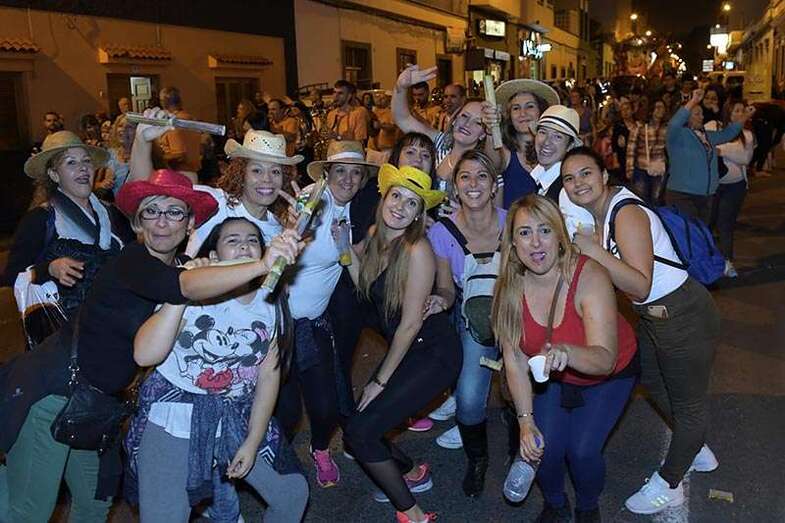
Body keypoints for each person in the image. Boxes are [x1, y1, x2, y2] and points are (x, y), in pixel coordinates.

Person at [0, 169, 302, 523]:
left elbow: (193, 287)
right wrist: (262, 264)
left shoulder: (180, 267)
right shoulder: (134, 260)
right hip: (54, 391)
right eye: (151, 212)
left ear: (190, 224)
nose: (162, 222)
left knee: (95, 503)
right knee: (29, 510)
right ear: (137, 222)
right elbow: (182, 289)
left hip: (99, 404)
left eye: (174, 212)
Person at [560, 147, 722, 516]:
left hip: (683, 315)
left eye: (586, 173)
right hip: (653, 318)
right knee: (651, 380)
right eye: (569, 178)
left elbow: (640, 284)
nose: (578, 183)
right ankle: (695, 447)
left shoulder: (626, 213)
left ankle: (669, 483)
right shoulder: (601, 215)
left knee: (689, 405)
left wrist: (591, 250)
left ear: (604, 175)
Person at [128, 217, 308, 523]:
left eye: (252, 240)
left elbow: (269, 375)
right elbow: (144, 355)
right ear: (213, 255)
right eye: (232, 240)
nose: (244, 246)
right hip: (176, 417)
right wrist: (184, 289)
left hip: (235, 414)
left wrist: (252, 441)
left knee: (292, 492)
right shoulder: (193, 292)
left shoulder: (271, 301)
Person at [492, 194, 638, 522]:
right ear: (513, 243)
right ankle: (555, 505)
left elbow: (604, 360)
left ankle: (587, 506)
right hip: (553, 374)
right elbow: (514, 361)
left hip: (609, 372)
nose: (535, 242)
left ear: (559, 236)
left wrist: (568, 352)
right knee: (543, 447)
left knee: (582, 451)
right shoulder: (508, 287)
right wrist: (525, 422)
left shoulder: (590, 276)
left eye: (544, 230)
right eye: (524, 233)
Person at [342, 163, 461, 523]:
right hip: (407, 347)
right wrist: (342, 247)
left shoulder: (417, 250)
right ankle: (411, 472)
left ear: (418, 215)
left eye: (412, 203)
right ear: (384, 198)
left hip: (433, 352)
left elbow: (410, 324)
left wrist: (379, 381)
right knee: (358, 426)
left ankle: (413, 515)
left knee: (361, 433)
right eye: (397, 196)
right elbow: (365, 283)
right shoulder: (376, 235)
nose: (401, 207)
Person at [274, 140, 380, 489]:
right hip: (280, 324)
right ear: (327, 174)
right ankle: (275, 462)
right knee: (285, 409)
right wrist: (296, 222)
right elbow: (297, 223)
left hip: (314, 324)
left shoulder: (349, 211)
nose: (348, 179)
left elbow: (352, 268)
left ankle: (319, 448)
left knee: (326, 406)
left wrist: (348, 248)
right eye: (340, 171)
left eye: (355, 173)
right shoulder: (314, 199)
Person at [426, 150, 506, 496]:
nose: (473, 183)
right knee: (470, 399)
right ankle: (478, 459)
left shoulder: (515, 222)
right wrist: (440, 300)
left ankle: (520, 445)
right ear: (455, 187)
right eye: (465, 177)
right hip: (472, 318)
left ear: (493, 186)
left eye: (482, 176)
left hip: (517, 315)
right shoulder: (442, 232)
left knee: (526, 389)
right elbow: (446, 286)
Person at [1, 131, 129, 333]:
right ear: (54, 174)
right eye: (71, 162)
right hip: (66, 334)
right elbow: (11, 278)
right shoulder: (40, 219)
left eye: (86, 161)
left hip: (118, 323)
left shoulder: (110, 213)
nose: (83, 168)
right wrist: (48, 269)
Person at [129, 108, 302, 253]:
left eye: (275, 171)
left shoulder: (279, 230)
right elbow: (144, 190)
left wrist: (296, 228)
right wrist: (142, 140)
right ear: (241, 174)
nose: (267, 179)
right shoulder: (214, 202)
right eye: (257, 170)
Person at [665, 89, 751, 224]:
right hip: (683, 195)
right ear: (686, 116)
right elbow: (674, 123)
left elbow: (728, 134)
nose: (702, 117)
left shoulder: (706, 136)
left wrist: (745, 116)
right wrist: (693, 101)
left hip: (706, 195)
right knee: (691, 233)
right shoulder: (677, 135)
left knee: (702, 233)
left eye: (702, 113)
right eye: (697, 114)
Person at [392, 65, 488, 182]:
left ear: (484, 134)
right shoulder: (440, 144)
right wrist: (400, 88)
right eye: (464, 116)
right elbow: (403, 119)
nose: (467, 124)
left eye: (478, 123)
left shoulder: (485, 166)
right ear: (455, 120)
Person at [487, 78, 560, 209]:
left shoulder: (556, 149)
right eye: (516, 108)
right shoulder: (505, 152)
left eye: (530, 106)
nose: (522, 113)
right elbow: (492, 164)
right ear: (509, 116)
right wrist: (490, 130)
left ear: (542, 111)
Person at [711, 100, 755, 278]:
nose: (739, 114)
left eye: (742, 111)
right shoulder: (713, 127)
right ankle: (709, 261)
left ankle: (727, 261)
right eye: (736, 111)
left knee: (725, 224)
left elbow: (745, 158)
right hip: (713, 185)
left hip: (735, 186)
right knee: (708, 223)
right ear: (728, 112)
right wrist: (733, 150)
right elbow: (707, 146)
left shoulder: (747, 135)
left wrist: (722, 150)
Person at [625, 99, 669, 205]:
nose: (660, 110)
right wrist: (629, 169)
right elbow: (631, 148)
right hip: (642, 168)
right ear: (651, 110)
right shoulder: (640, 126)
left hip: (659, 168)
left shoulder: (666, 128)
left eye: (662, 108)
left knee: (656, 200)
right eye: (657, 107)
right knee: (641, 199)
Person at [155, 87, 203, 182]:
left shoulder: (174, 124)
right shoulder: (191, 119)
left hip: (179, 175)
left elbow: (179, 155)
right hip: (193, 173)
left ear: (164, 102)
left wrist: (157, 158)